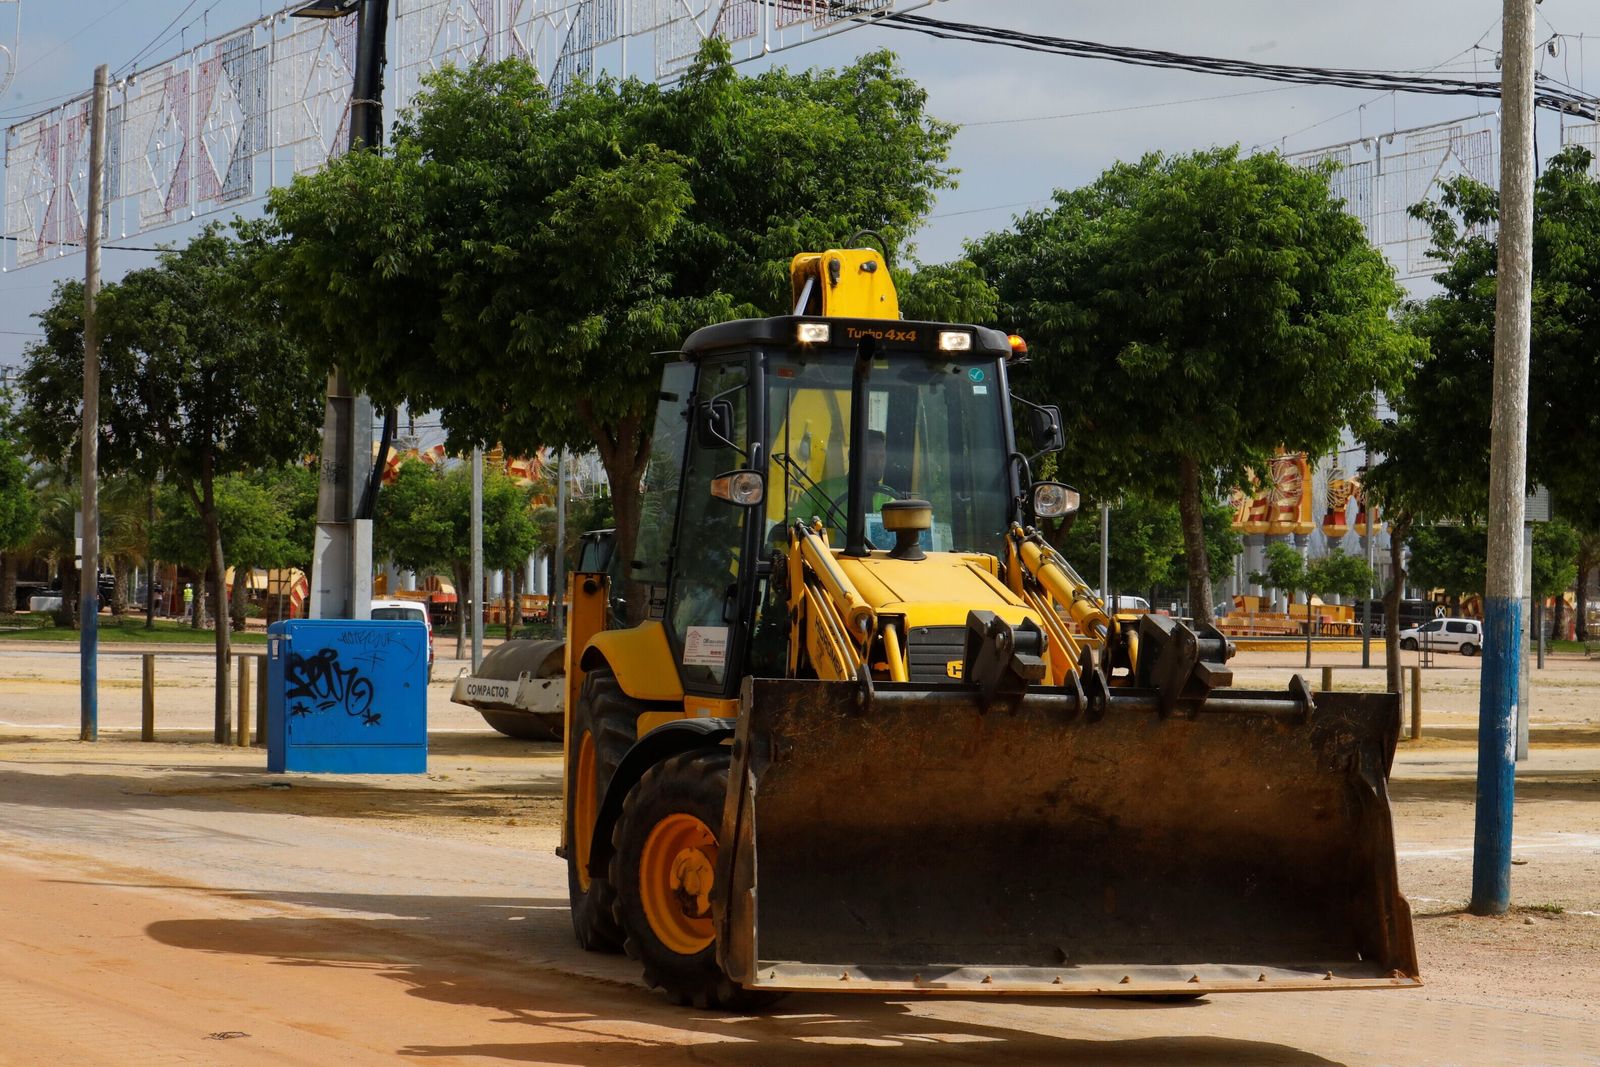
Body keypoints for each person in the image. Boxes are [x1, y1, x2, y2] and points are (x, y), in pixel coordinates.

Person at [796, 429, 900, 544]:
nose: (878, 462)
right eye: (872, 456)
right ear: (852, 456)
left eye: (882, 456)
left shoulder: (890, 498)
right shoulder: (822, 492)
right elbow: (792, 527)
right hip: (830, 559)